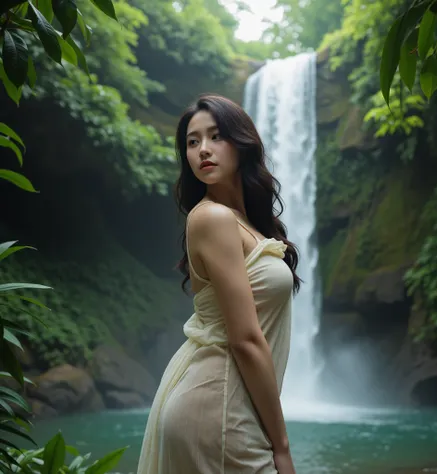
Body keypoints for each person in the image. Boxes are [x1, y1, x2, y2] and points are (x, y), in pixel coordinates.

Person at [137, 93, 301, 474]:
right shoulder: (212, 218)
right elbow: (245, 339)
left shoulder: (244, 222)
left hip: (225, 403)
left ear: (242, 143)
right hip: (217, 407)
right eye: (192, 142)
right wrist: (282, 446)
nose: (203, 150)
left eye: (215, 137)